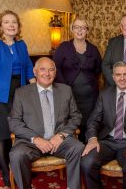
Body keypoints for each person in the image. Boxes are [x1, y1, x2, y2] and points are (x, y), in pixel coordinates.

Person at [0, 10, 35, 187]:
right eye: (7, 22)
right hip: (0, 95)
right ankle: (6, 172)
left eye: (14, 22)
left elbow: (28, 70)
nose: (11, 25)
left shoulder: (21, 45)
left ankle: (18, 168)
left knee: (20, 133)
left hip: (21, 92)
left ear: (18, 26)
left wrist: (36, 92)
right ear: (0, 25)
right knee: (1, 135)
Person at [8, 57, 84, 189]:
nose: (47, 73)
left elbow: (76, 116)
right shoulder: (22, 93)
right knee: (16, 155)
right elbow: (14, 122)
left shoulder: (66, 90)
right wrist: (36, 139)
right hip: (31, 143)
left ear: (55, 72)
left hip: (59, 141)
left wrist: (61, 135)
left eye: (51, 70)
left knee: (77, 147)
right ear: (35, 71)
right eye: (42, 69)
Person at [81, 61, 126, 189]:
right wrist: (92, 139)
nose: (122, 78)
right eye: (118, 74)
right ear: (113, 77)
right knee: (87, 162)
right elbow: (93, 120)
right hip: (106, 142)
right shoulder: (104, 94)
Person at [53, 17, 102, 143]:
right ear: (72, 29)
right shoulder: (63, 47)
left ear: (87, 30)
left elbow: (98, 70)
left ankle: (87, 155)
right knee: (70, 125)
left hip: (90, 98)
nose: (80, 30)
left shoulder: (93, 49)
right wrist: (65, 87)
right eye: (76, 27)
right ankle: (73, 153)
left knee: (88, 125)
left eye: (83, 27)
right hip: (69, 96)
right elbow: (55, 67)